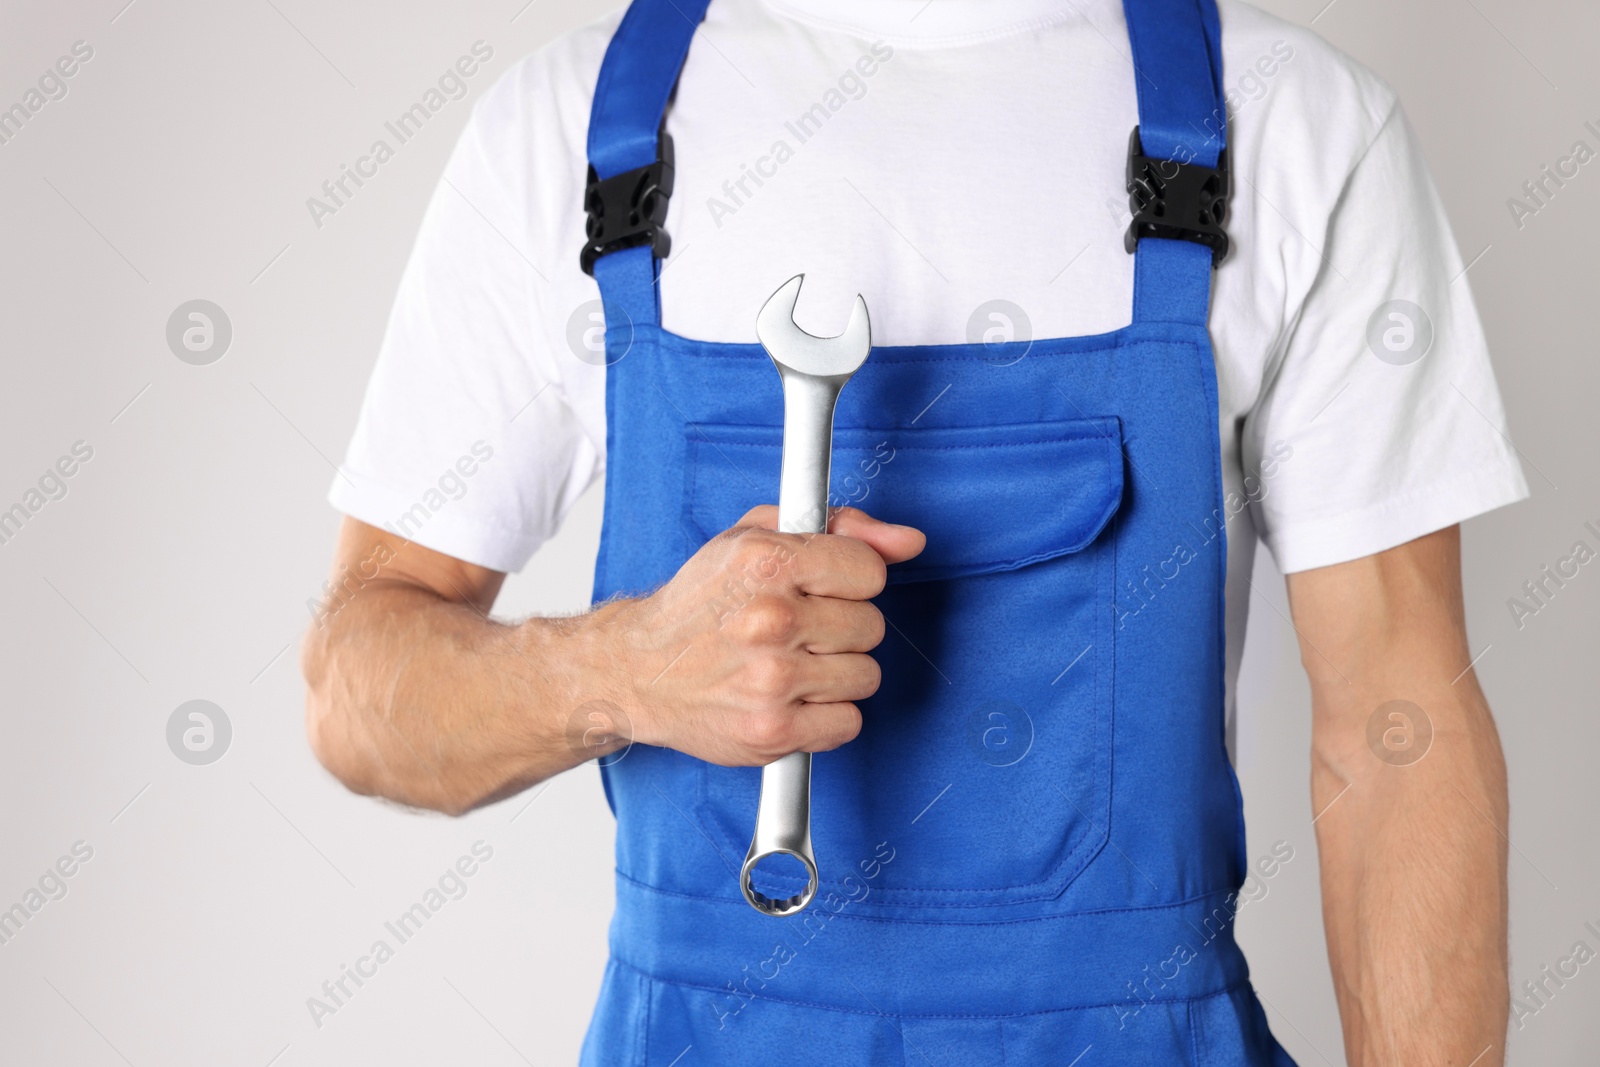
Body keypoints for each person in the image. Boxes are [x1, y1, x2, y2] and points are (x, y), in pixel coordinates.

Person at [300, 0, 1527, 1061]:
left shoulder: (1296, 123)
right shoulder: (567, 134)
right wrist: (624, 669)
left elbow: (1395, 723)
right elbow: (359, 698)